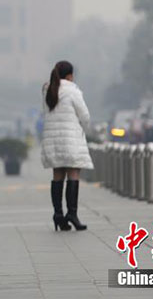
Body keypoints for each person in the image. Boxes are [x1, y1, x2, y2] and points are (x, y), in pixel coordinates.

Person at [41, 60, 93, 232]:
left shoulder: (48, 90)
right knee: (73, 173)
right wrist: (84, 129)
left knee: (57, 175)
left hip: (53, 140)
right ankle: (72, 214)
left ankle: (58, 215)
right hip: (70, 138)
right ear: (70, 75)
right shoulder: (73, 90)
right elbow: (85, 116)